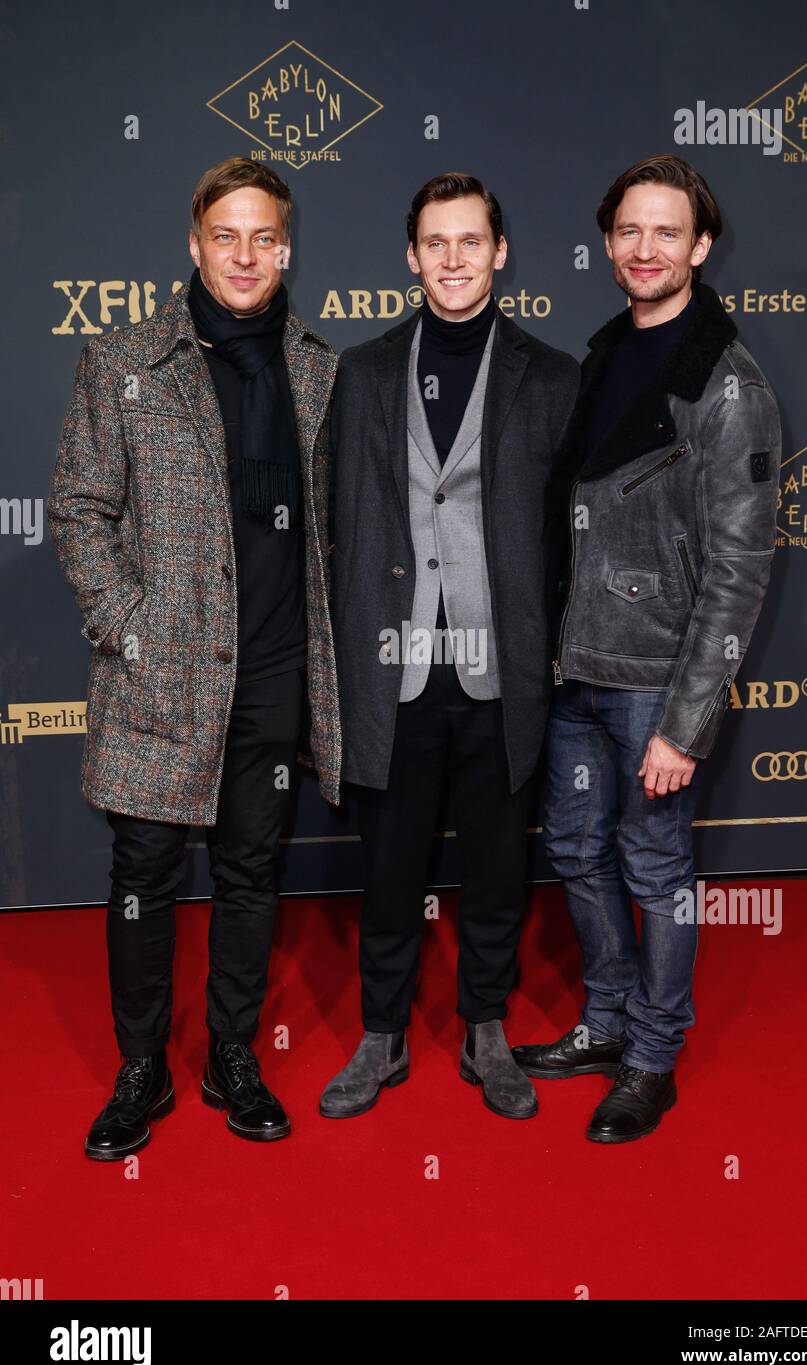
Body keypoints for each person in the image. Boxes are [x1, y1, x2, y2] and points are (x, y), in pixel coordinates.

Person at [48, 157, 340, 1158]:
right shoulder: (124, 361)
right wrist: (127, 626)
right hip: (158, 672)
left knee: (253, 873)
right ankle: (141, 1068)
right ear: (194, 243)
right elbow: (81, 511)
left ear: (287, 246)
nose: (246, 254)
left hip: (270, 673)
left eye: (264, 236)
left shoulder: (317, 366)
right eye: (227, 236)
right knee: (145, 872)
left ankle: (231, 1054)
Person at [513, 154, 781, 1143]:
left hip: (654, 687)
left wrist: (684, 722)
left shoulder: (726, 386)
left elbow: (738, 571)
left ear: (699, 247)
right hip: (576, 670)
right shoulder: (599, 358)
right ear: (606, 241)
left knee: (653, 864)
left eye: (665, 232)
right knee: (579, 854)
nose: (644, 248)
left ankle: (652, 1055)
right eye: (628, 230)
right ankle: (607, 1018)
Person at [321, 172, 580, 1121]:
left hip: (502, 669)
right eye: (437, 243)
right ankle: (381, 1036)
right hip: (393, 664)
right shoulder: (364, 373)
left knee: (498, 867)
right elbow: (337, 522)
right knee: (389, 867)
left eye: (472, 241)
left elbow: (569, 534)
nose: (455, 260)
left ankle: (486, 1033)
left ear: (501, 252)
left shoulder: (553, 378)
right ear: (411, 256)